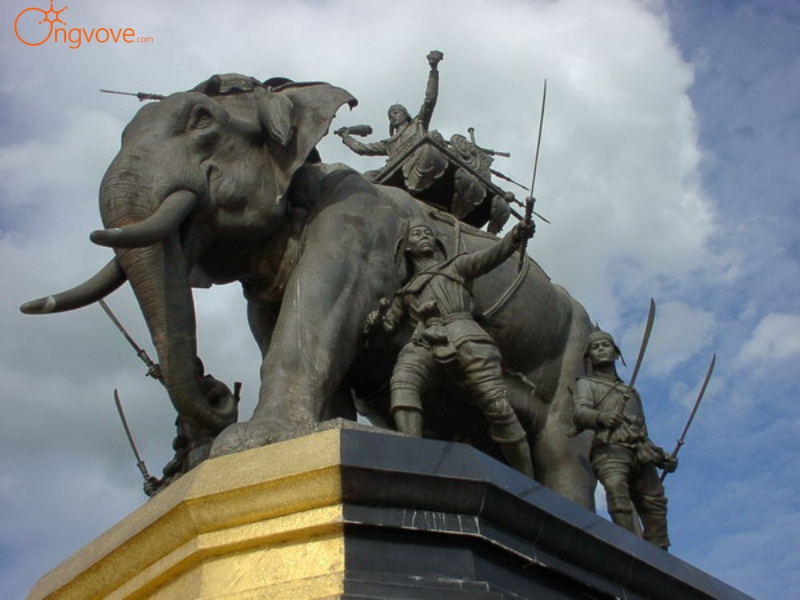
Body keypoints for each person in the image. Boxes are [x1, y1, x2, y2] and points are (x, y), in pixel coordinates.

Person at [365, 217, 535, 477]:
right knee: (402, 383)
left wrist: (515, 235)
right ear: (407, 247)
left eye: (427, 233)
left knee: (497, 409)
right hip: (423, 342)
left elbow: (491, 256)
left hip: (466, 336)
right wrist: (377, 325)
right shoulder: (405, 292)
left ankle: (528, 480)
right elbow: (388, 331)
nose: (423, 236)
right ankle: (415, 461)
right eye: (417, 234)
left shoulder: (456, 267)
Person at [572, 328, 678, 549]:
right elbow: (580, 413)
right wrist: (601, 416)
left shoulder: (631, 392)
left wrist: (661, 458)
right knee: (615, 487)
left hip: (639, 451)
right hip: (609, 449)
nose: (601, 349)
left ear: (616, 353)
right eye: (595, 347)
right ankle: (629, 547)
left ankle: (661, 558)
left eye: (606, 345)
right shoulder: (586, 384)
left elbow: (643, 433)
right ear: (588, 357)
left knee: (655, 503)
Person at [336, 51, 446, 193]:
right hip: (395, 169)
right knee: (367, 177)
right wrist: (346, 136)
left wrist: (434, 70)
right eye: (390, 116)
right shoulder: (388, 143)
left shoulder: (418, 124)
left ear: (405, 115)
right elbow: (361, 149)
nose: (393, 117)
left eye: (396, 113)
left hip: (419, 162)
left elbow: (430, 99)